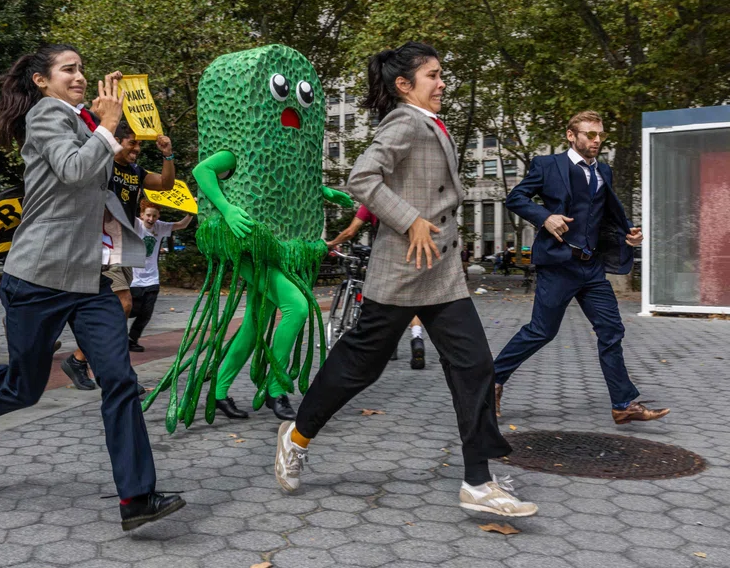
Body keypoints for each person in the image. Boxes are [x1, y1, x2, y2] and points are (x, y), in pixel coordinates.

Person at [273, 42, 537, 517]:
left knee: (475, 366)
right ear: (404, 85)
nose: (441, 83)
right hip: (401, 270)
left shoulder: (430, 122)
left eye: (441, 74)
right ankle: (296, 435)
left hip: (442, 273)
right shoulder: (404, 120)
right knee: (360, 365)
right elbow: (362, 177)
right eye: (432, 76)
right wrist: (409, 218)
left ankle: (478, 482)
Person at [0, 43, 184, 530]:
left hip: (90, 280)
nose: (79, 76)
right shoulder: (45, 117)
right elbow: (74, 170)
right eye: (68, 69)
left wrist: (103, 117)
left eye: (82, 69)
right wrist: (106, 123)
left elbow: (99, 167)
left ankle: (136, 498)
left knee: (119, 378)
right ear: (41, 81)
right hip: (38, 279)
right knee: (24, 389)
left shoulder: (82, 121)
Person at [493, 110, 668, 425]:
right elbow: (515, 198)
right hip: (559, 266)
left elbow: (607, 215)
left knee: (611, 330)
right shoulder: (547, 166)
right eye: (590, 134)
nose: (597, 140)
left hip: (592, 268)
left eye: (600, 135)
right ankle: (491, 380)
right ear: (571, 135)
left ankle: (623, 404)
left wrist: (629, 235)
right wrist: (544, 217)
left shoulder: (604, 171)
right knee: (542, 331)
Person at [62, 121, 178, 392]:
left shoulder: (136, 172)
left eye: (138, 143)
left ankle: (83, 360)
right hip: (97, 244)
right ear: (116, 141)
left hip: (121, 246)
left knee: (107, 312)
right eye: (132, 143)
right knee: (122, 305)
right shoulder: (102, 165)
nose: (137, 148)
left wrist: (168, 155)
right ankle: (115, 373)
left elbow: (165, 183)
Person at [327, 204, 427, 368]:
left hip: (387, 258)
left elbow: (351, 231)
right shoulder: (406, 198)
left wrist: (332, 243)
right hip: (411, 254)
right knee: (411, 301)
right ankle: (417, 340)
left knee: (386, 302)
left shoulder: (371, 203)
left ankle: (390, 346)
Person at [127, 201, 192, 352]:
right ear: (142, 215)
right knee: (132, 310)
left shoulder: (160, 227)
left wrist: (190, 212)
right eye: (148, 215)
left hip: (152, 278)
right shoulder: (135, 223)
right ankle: (113, 332)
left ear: (158, 216)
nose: (151, 219)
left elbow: (181, 225)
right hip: (134, 278)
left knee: (146, 313)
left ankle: (131, 339)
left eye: (154, 216)